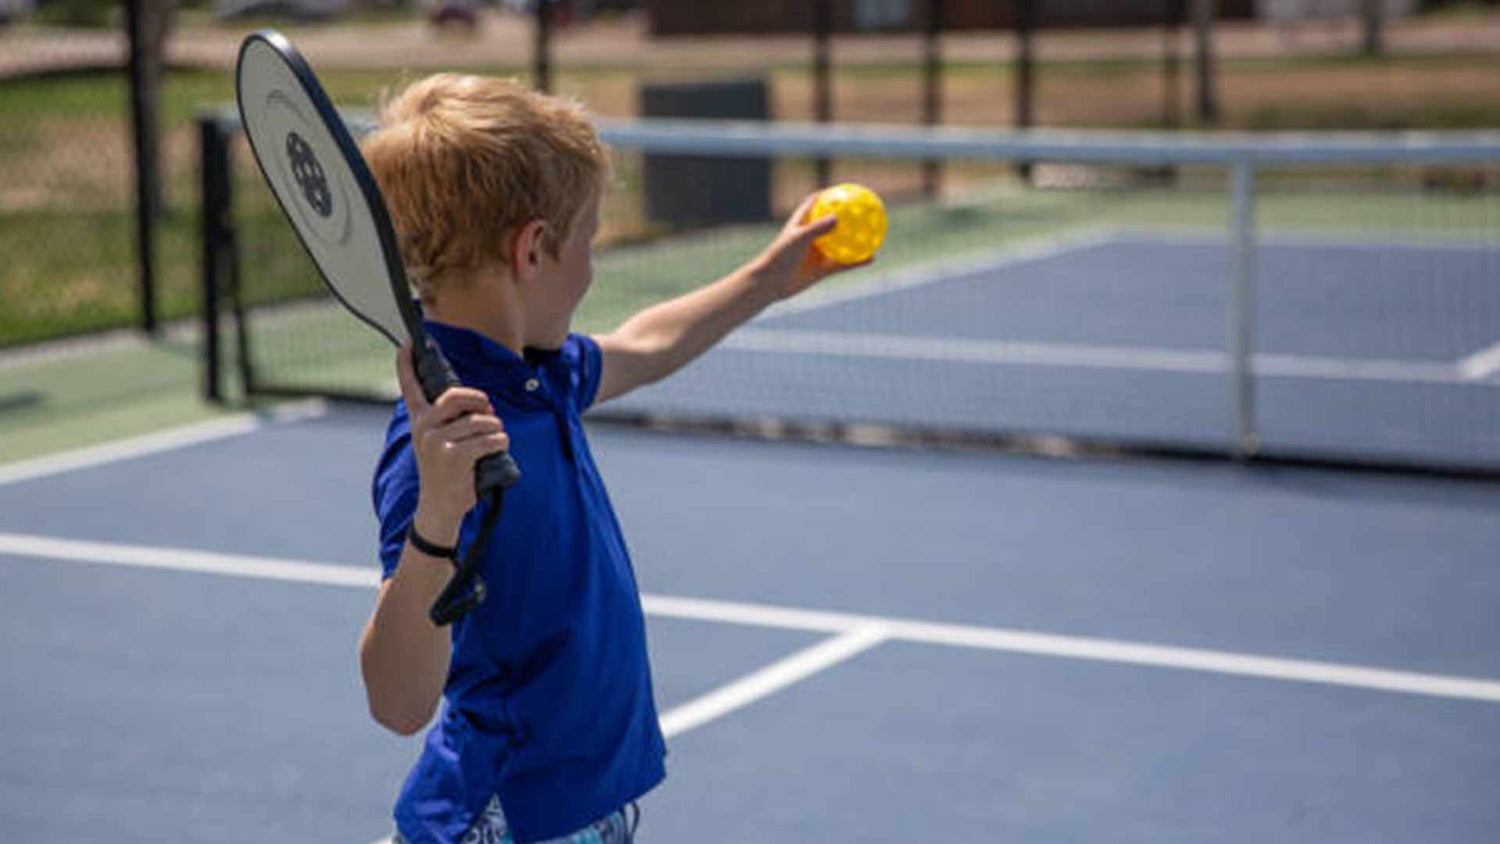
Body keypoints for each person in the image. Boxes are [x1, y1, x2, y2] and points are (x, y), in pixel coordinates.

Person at [357, 73, 866, 844]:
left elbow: (644, 345)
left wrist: (768, 279)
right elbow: (397, 702)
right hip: (506, 822)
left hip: (583, 810)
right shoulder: (436, 445)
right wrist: (435, 520)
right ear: (534, 248)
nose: (591, 269)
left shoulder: (539, 372)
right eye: (588, 241)